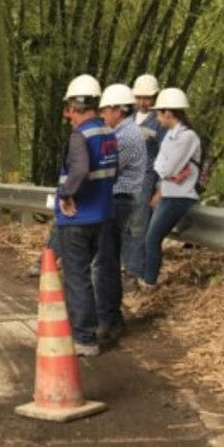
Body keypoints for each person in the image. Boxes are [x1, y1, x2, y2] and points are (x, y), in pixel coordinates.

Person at [55, 74, 118, 357]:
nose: (68, 115)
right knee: (94, 273)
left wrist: (66, 195)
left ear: (79, 104)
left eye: (70, 107)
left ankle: (84, 338)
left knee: (77, 277)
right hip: (102, 216)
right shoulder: (107, 133)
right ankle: (102, 324)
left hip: (77, 218)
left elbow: (79, 171)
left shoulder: (80, 136)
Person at [93, 84, 146, 343]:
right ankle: (113, 319)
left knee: (104, 264)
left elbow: (106, 170)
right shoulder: (124, 132)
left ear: (117, 109)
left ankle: (107, 320)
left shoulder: (124, 137)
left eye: (105, 110)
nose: (103, 115)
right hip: (119, 201)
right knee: (109, 261)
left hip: (117, 201)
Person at [134, 88, 201, 294]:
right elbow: (161, 165)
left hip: (180, 197)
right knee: (150, 237)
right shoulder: (172, 135)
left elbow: (165, 167)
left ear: (168, 113)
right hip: (169, 193)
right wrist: (165, 175)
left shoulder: (187, 137)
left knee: (152, 238)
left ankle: (149, 282)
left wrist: (166, 170)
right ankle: (146, 278)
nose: (156, 116)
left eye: (158, 112)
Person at [123, 74, 166, 283]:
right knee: (123, 220)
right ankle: (124, 263)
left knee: (139, 224)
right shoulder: (127, 116)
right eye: (139, 97)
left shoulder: (160, 121)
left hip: (146, 175)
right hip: (124, 174)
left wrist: (159, 187)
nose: (142, 102)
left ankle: (134, 269)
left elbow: (165, 155)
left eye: (147, 98)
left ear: (154, 97)